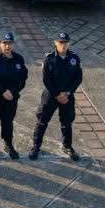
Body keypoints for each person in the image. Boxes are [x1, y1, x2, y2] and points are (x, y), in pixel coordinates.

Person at [29, 32, 83, 162]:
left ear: (69, 43)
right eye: (60, 42)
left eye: (65, 42)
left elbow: (78, 78)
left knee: (67, 122)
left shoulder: (74, 58)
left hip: (67, 96)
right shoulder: (49, 58)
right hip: (51, 95)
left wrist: (68, 93)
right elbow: (46, 79)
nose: (63, 45)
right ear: (55, 43)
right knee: (42, 121)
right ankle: (36, 147)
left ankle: (67, 146)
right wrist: (57, 94)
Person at [0, 32, 28, 160]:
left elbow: (23, 78)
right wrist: (3, 91)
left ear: (13, 44)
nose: (7, 46)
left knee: (8, 122)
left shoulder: (18, 59)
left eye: (9, 43)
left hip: (11, 98)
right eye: (4, 43)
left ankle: (8, 144)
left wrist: (12, 92)